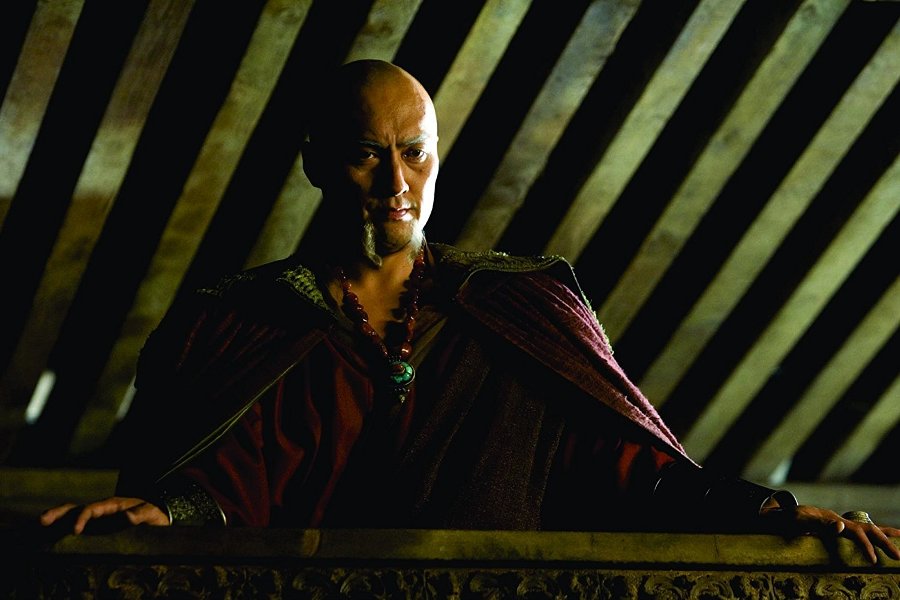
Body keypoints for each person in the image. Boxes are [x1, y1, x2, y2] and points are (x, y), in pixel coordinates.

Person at [40, 59, 899, 564]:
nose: (397, 182)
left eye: (415, 153)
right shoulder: (238, 322)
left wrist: (770, 511)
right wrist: (168, 511)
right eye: (366, 156)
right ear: (316, 164)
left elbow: (630, 468)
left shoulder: (522, 304)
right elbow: (219, 486)